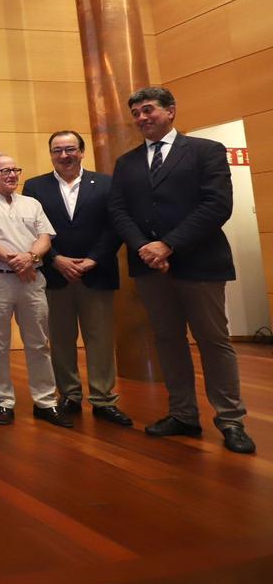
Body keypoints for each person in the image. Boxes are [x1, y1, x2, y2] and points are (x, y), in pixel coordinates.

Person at [108, 87, 256, 454]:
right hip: (149, 268)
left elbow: (217, 205)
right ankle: (183, 415)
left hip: (200, 262)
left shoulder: (206, 151)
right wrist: (145, 247)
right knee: (168, 341)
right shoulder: (126, 163)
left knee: (213, 341)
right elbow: (118, 210)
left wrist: (168, 244)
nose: (142, 118)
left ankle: (230, 419)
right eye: (136, 114)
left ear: (171, 111)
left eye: (148, 110)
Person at [22, 131, 131, 427]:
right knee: (60, 338)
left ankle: (103, 399)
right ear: (51, 154)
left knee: (100, 338)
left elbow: (115, 226)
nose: (64, 155)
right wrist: (56, 259)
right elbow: (32, 228)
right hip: (55, 273)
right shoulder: (34, 186)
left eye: (70, 149)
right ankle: (69, 394)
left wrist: (93, 259)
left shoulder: (107, 183)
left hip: (96, 271)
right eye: (57, 150)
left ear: (82, 152)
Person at [0, 153, 68, 428]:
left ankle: (46, 402)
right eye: (4, 171)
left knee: (38, 342)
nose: (12, 175)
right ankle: (3, 401)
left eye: (15, 170)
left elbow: (45, 237)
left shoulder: (31, 203)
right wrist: (17, 261)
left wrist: (31, 259)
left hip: (32, 277)